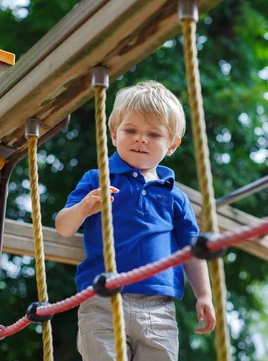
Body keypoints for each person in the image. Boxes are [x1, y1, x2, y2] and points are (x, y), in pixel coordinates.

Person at [55, 81, 216, 361]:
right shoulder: (98, 179)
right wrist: (83, 208)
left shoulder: (174, 197)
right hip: (102, 299)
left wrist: (204, 295)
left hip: (158, 307)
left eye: (153, 134)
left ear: (172, 145)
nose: (141, 139)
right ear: (115, 134)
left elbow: (192, 250)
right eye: (131, 130)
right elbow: (63, 227)